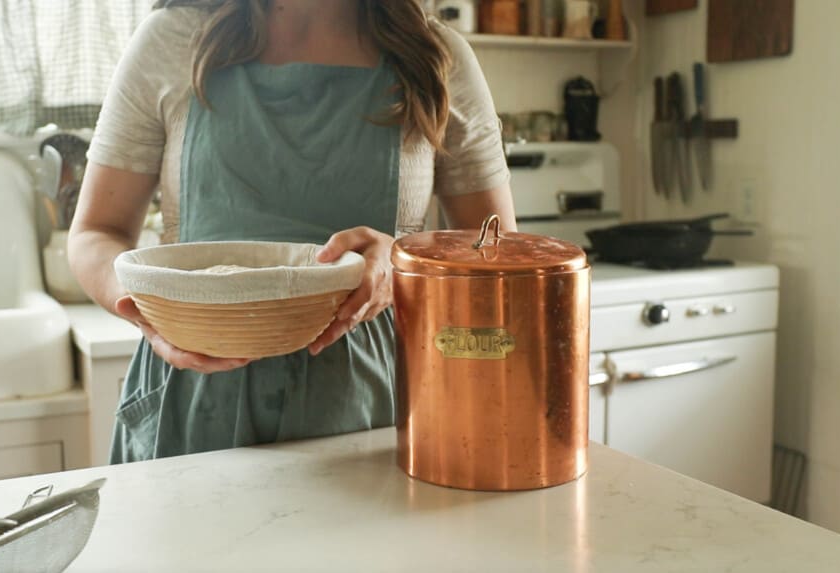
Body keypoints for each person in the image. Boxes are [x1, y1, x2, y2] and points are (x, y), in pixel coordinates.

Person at [68, 0, 516, 463]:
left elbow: (498, 254)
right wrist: (151, 310)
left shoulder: (436, 57)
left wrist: (403, 264)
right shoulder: (170, 40)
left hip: (371, 401)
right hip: (193, 399)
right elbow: (95, 233)